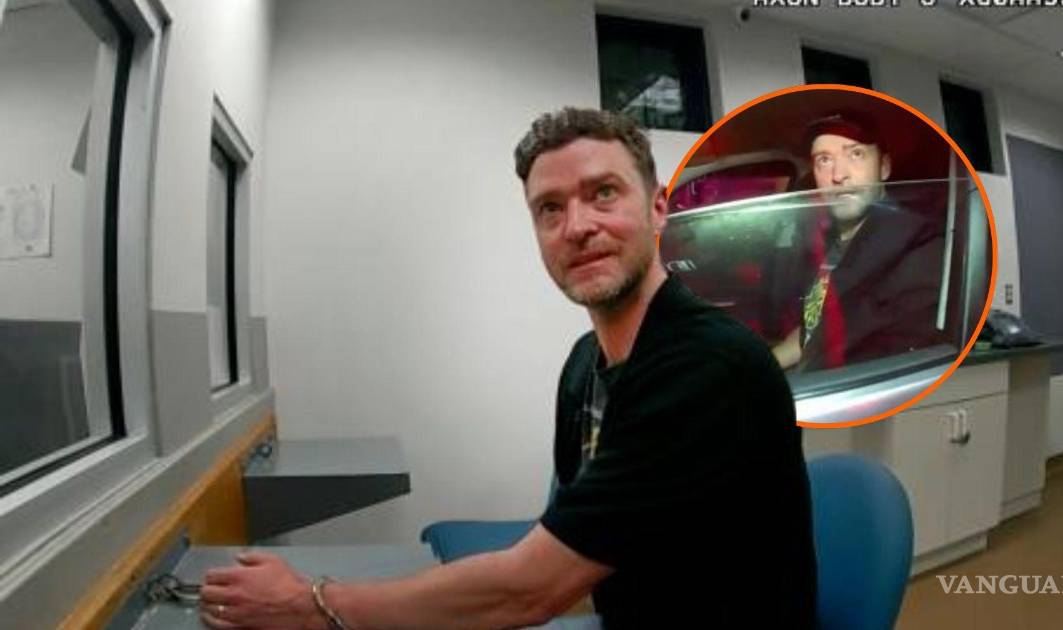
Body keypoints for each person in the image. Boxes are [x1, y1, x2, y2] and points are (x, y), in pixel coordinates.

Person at [199, 107, 817, 629]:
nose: (577, 227)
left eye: (604, 193)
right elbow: (574, 554)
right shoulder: (585, 366)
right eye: (549, 209)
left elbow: (532, 590)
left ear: (658, 208)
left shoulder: (709, 367)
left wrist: (313, 605)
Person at [772, 112, 946, 372]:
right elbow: (814, 330)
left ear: (884, 168)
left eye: (855, 154)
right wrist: (765, 364)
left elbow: (899, 369)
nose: (838, 175)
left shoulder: (918, 251)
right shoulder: (831, 245)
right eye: (824, 160)